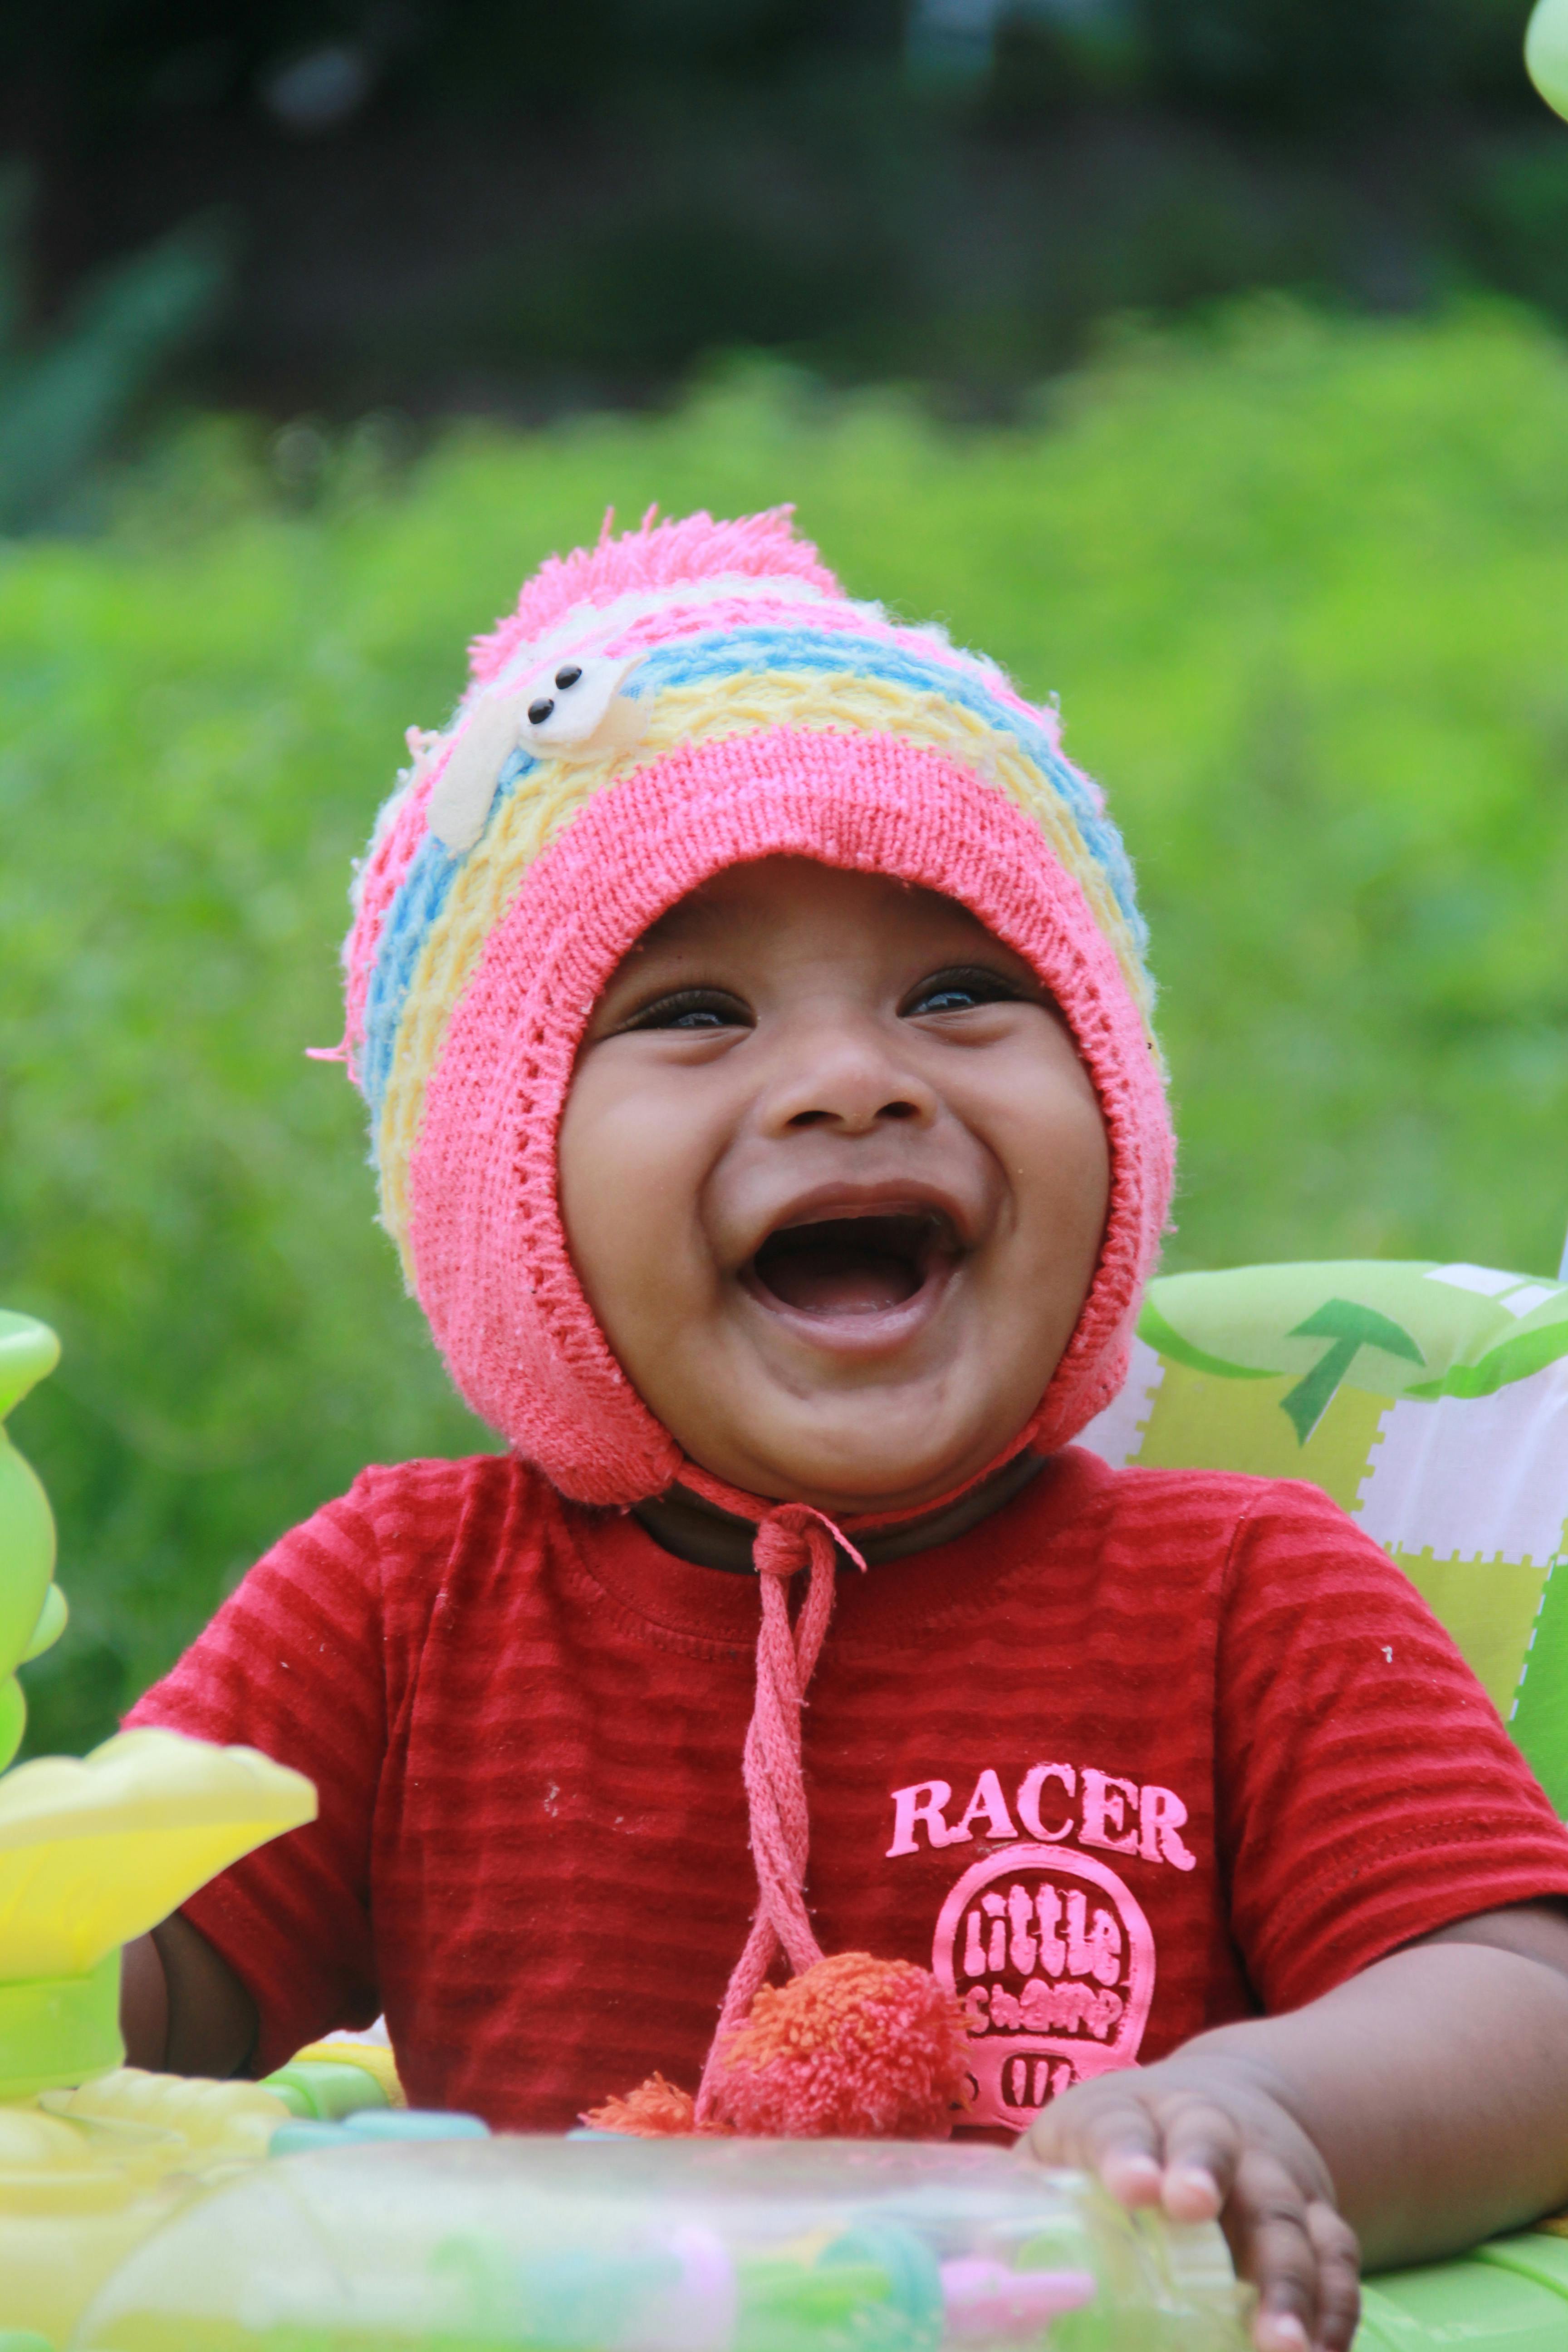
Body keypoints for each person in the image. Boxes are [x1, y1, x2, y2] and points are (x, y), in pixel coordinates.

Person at [120, 508, 1568, 2352]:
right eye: (695, 1012)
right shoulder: (402, 1604)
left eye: (961, 993)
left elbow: (1522, 2005)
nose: (853, 1079)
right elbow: (137, 1994)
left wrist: (1272, 2109)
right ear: (507, 1192)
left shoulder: (1238, 1588)